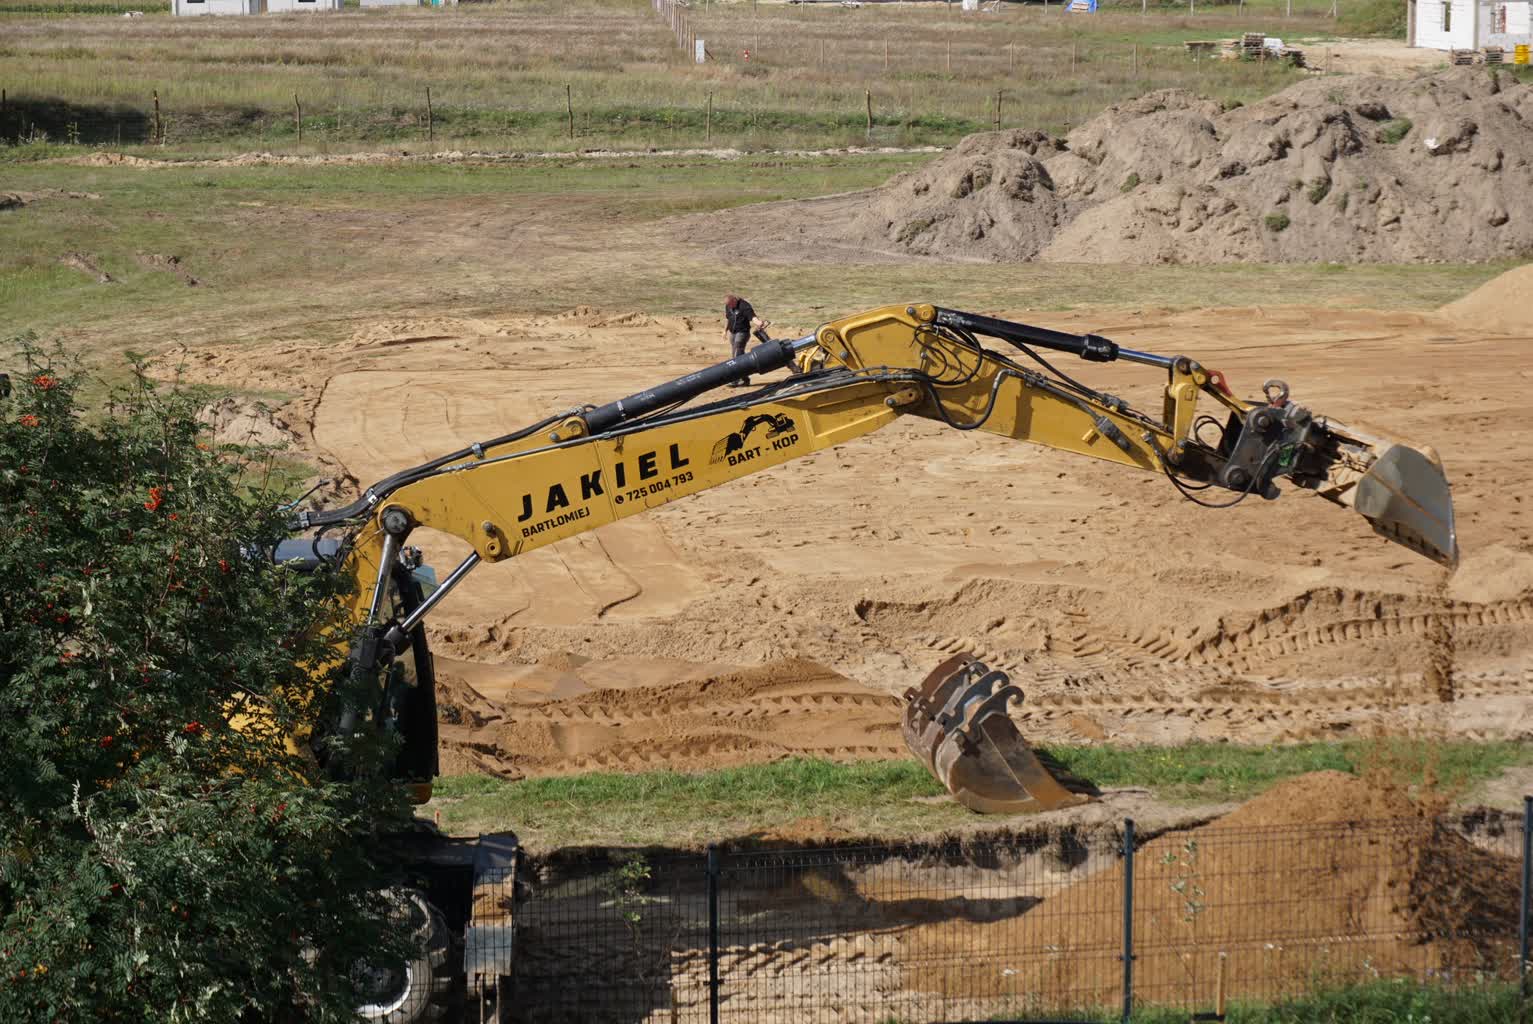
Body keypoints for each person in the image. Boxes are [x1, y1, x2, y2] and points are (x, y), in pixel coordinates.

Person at [723, 294, 768, 387]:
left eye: (730, 305)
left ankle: (735, 379)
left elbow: (752, 317)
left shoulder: (744, 306)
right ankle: (745, 379)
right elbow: (727, 319)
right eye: (728, 305)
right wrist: (724, 331)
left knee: (736, 356)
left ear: (734, 300)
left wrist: (759, 323)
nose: (729, 307)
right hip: (733, 333)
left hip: (742, 333)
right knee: (738, 356)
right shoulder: (728, 306)